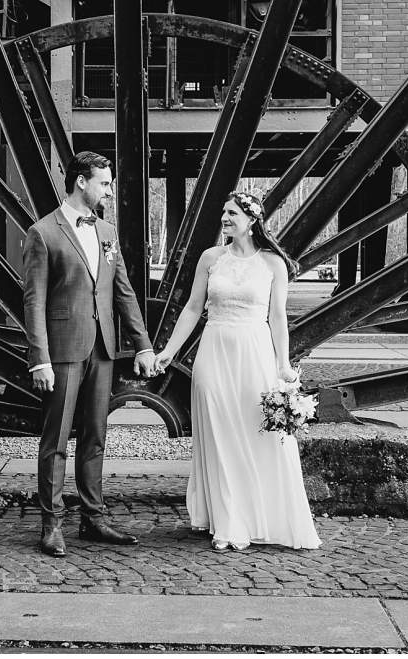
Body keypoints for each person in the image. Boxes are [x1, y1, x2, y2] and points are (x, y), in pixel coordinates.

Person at [154, 190, 321, 551]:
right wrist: (169, 351)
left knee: (254, 435)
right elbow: (192, 308)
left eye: (231, 213)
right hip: (213, 351)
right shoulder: (211, 258)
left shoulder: (273, 264)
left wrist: (283, 365)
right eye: (224, 213)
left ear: (252, 220)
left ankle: (260, 515)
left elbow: (278, 319)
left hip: (254, 352)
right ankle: (227, 522)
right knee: (218, 434)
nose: (224, 219)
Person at [22, 151, 158, 558]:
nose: (109, 190)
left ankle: (93, 520)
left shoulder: (107, 232)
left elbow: (123, 292)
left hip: (102, 349)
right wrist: (39, 358)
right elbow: (33, 301)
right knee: (56, 439)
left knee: (96, 436)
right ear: (81, 182)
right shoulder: (43, 232)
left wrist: (143, 344)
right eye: (104, 182)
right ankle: (52, 525)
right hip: (62, 352)